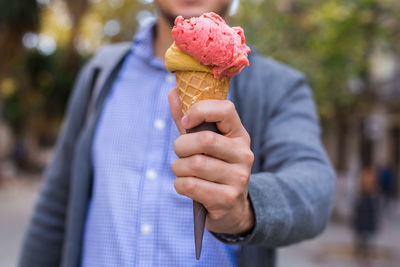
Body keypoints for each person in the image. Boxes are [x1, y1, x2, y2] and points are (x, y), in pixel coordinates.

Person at [18, 0, 336, 266]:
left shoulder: (279, 86)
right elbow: (56, 206)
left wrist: (243, 210)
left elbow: (315, 189)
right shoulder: (99, 73)